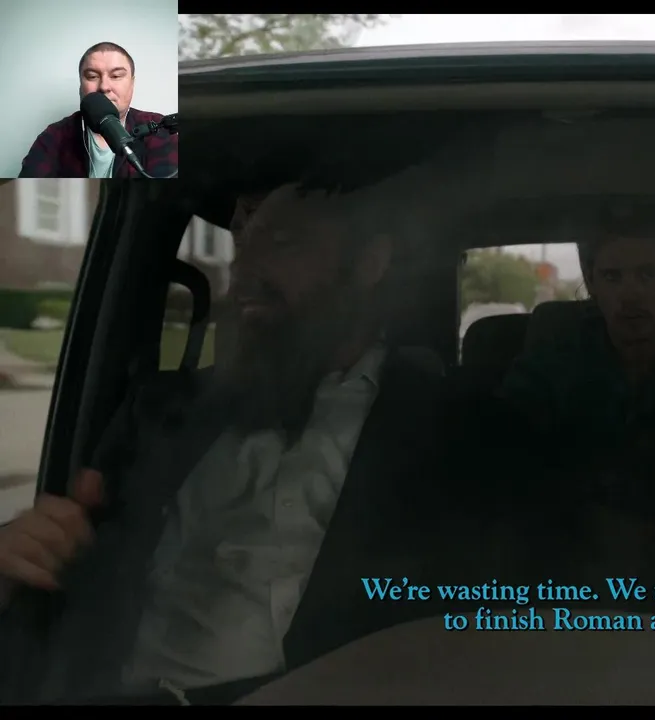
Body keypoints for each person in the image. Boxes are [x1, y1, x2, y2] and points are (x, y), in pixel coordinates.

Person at [0, 173, 473, 704]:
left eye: (282, 241)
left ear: (369, 263)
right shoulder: (161, 409)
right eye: (242, 241)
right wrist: (17, 562)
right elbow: (63, 572)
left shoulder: (455, 433)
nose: (243, 268)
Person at [498, 204, 655, 578]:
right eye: (612, 277)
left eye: (646, 274)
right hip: (564, 578)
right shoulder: (548, 369)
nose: (630, 294)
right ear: (591, 282)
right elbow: (508, 478)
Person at [18, 42, 178, 179]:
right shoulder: (55, 135)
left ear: (132, 84)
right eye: (92, 76)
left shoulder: (158, 127)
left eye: (116, 76)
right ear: (81, 86)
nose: (104, 87)